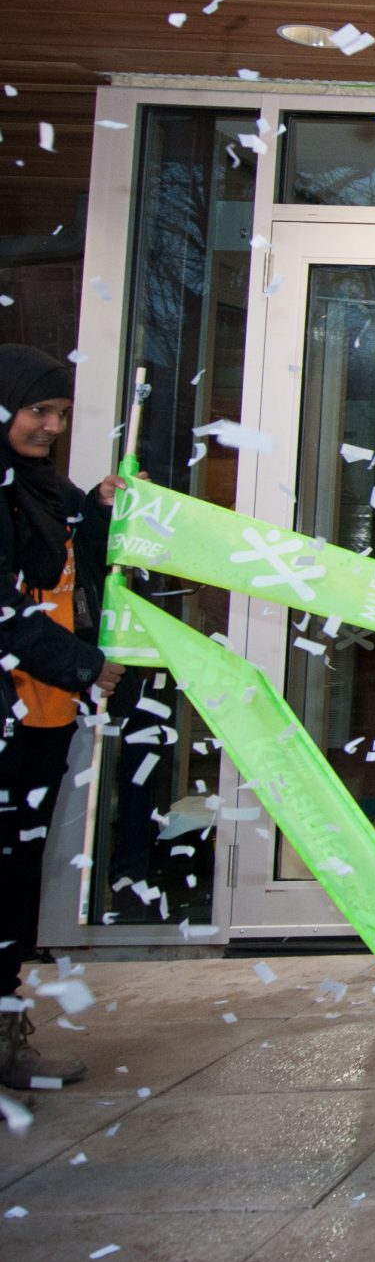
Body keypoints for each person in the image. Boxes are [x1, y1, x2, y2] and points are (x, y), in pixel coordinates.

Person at [0, 346, 121, 1097]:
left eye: (61, 416)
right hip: (11, 714)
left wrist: (101, 512)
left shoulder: (42, 492)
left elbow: (80, 572)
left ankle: (7, 1030)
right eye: (37, 412)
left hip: (43, 718)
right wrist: (81, 666)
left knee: (14, 881)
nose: (49, 427)